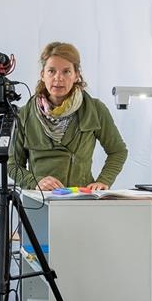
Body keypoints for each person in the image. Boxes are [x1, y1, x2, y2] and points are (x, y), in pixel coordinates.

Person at [8, 42, 127, 190]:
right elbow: (13, 165)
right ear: (43, 75)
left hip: (80, 199)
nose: (59, 78)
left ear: (76, 75)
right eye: (51, 71)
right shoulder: (25, 114)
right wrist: (35, 181)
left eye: (66, 71)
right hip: (38, 202)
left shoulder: (95, 109)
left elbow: (118, 151)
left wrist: (103, 181)